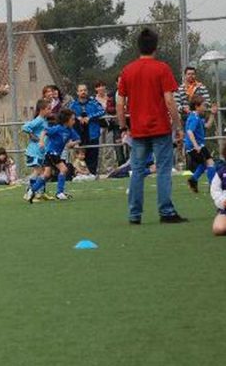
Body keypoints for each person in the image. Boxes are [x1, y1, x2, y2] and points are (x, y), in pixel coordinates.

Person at [116, 27, 188, 225]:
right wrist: (178, 126)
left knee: (137, 171)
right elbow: (170, 101)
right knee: (164, 169)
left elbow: (120, 103)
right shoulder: (162, 68)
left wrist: (123, 127)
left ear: (138, 46)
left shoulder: (127, 71)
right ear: (156, 46)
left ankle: (134, 214)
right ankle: (166, 211)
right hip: (160, 128)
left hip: (138, 130)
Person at [28, 108, 80, 202]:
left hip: (54, 154)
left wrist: (72, 143)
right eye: (72, 119)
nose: (74, 121)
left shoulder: (70, 130)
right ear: (66, 120)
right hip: (52, 152)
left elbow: (78, 139)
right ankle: (59, 193)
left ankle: (32, 190)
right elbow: (44, 131)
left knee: (47, 174)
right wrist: (41, 142)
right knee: (64, 169)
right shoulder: (58, 128)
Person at [69, 83, 105, 176]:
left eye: (85, 90)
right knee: (80, 156)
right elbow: (68, 113)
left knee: (93, 154)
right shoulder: (73, 104)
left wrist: (90, 117)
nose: (83, 92)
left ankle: (92, 174)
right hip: (79, 135)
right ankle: (80, 174)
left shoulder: (93, 102)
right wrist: (77, 117)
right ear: (77, 92)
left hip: (92, 133)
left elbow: (102, 111)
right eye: (81, 90)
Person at [184, 96, 217, 193]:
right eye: (203, 105)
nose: (205, 107)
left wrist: (212, 114)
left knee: (204, 164)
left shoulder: (197, 117)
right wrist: (196, 145)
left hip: (196, 146)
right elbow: (190, 131)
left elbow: (207, 125)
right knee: (210, 163)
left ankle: (193, 180)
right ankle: (213, 187)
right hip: (196, 146)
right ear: (196, 106)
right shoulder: (194, 118)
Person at [22, 99, 51, 200]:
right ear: (41, 110)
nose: (50, 111)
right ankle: (28, 191)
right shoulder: (38, 120)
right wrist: (32, 135)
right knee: (38, 172)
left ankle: (40, 193)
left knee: (42, 172)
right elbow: (25, 127)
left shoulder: (44, 120)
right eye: (48, 109)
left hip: (40, 151)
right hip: (34, 151)